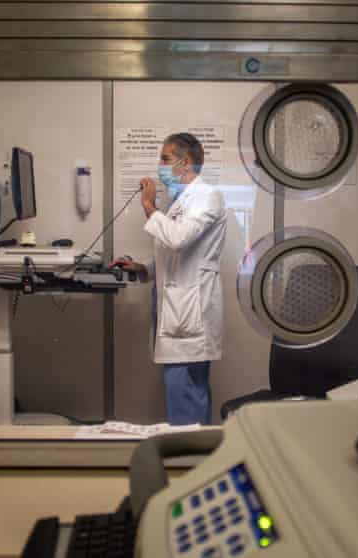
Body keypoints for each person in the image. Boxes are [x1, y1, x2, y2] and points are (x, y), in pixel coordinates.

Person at [112, 133, 227, 425]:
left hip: (190, 314)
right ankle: (193, 455)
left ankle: (187, 460)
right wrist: (142, 268)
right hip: (179, 310)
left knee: (185, 397)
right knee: (186, 395)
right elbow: (173, 256)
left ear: (185, 162)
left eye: (164, 158)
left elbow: (178, 239)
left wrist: (149, 207)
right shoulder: (182, 200)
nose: (159, 165)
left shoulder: (207, 195)